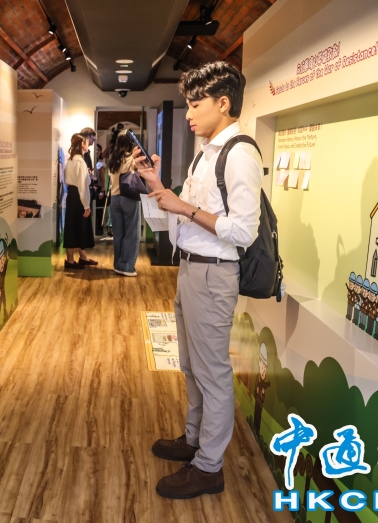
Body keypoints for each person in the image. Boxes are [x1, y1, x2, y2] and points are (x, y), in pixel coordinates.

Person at [136, 61, 263, 499]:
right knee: (191, 365)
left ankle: (209, 467)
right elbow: (179, 217)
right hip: (191, 268)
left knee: (212, 373)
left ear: (223, 103)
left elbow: (243, 231)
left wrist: (185, 207)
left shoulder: (240, 154)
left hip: (213, 274)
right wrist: (156, 186)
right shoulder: (205, 153)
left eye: (195, 104)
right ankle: (193, 439)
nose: (188, 114)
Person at [107, 131, 141, 276]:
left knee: (118, 234)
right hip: (129, 197)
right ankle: (126, 267)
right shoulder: (131, 159)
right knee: (131, 233)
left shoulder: (113, 159)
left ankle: (118, 264)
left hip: (114, 198)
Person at [63, 133, 97, 269]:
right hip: (79, 197)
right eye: (87, 142)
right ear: (82, 144)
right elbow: (83, 186)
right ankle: (71, 260)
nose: (88, 144)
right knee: (78, 227)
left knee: (72, 227)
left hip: (72, 196)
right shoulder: (80, 162)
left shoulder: (71, 160)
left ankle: (78, 258)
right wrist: (86, 206)